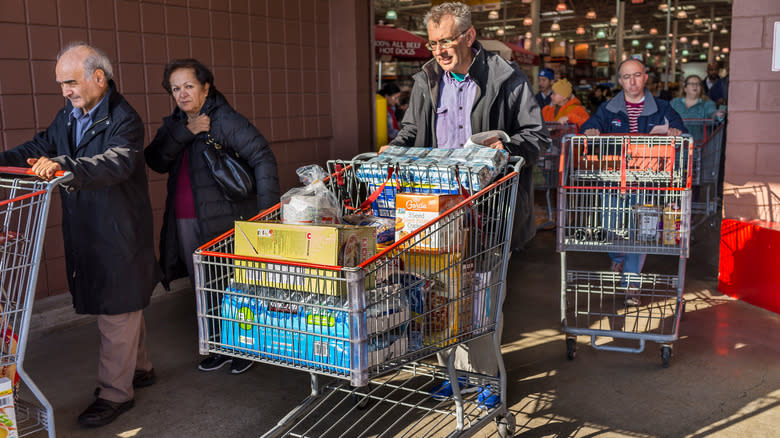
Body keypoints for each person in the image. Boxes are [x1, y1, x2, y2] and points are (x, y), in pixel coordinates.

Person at [386, 1, 549, 406]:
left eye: (446, 41)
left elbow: (537, 136)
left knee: (481, 295)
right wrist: (393, 149)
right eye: (433, 43)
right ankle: (453, 374)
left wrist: (506, 143)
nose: (439, 50)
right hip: (438, 207)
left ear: (469, 36)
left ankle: (488, 378)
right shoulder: (427, 79)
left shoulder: (505, 78)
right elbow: (412, 130)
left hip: (489, 209)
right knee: (440, 292)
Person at [0, 42, 160, 427]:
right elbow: (41, 146)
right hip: (89, 226)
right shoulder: (70, 116)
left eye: (70, 82)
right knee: (123, 304)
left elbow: (116, 163)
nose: (65, 91)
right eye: (61, 84)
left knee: (117, 309)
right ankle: (140, 369)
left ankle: (115, 394)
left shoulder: (124, 118)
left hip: (119, 229)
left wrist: (63, 166)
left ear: (98, 78)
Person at [145, 59, 280, 375]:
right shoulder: (177, 123)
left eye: (189, 86)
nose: (182, 94)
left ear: (206, 87)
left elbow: (262, 157)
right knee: (203, 285)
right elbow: (155, 160)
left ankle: (244, 347)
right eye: (176, 88)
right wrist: (185, 132)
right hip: (186, 218)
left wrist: (267, 213)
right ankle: (219, 346)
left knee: (234, 285)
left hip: (226, 217)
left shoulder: (225, 119)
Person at [581, 58, 687, 306]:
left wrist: (674, 131)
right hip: (614, 179)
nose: (632, 81)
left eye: (637, 75)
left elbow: (680, 127)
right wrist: (591, 131)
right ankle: (617, 254)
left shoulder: (662, 108)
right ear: (620, 81)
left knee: (639, 234)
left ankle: (631, 284)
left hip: (646, 180)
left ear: (645, 77)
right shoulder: (608, 108)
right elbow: (590, 125)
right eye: (627, 77)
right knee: (611, 227)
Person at [670, 74, 724, 141]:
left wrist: (717, 114)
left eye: (698, 84)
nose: (695, 86)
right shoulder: (674, 102)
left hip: (699, 145)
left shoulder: (708, 103)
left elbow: (712, 112)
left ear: (701, 88)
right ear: (685, 88)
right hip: (677, 144)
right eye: (692, 84)